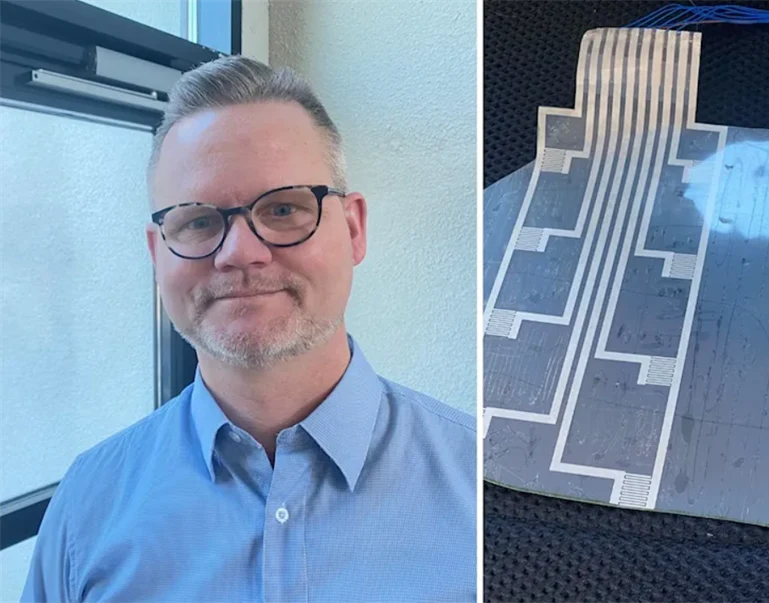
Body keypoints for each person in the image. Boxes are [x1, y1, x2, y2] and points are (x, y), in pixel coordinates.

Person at [21, 56, 476, 602]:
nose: (240, 253)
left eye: (283, 210)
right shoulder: (88, 504)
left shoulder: (481, 487)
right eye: (197, 220)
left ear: (353, 229)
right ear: (156, 254)